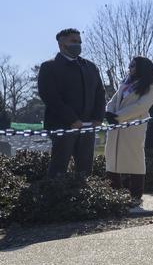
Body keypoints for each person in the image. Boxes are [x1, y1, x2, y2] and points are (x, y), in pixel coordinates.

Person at [36, 28, 106, 177]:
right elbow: (50, 96)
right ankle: (55, 198)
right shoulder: (49, 67)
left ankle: (84, 199)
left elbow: (100, 94)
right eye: (73, 41)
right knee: (59, 167)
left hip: (88, 126)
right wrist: (72, 119)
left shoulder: (90, 67)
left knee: (85, 169)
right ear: (62, 44)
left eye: (79, 42)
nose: (78, 45)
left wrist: (98, 118)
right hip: (62, 126)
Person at [103, 56, 153, 201]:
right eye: (129, 65)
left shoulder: (152, 86)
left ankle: (135, 193)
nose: (129, 68)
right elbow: (113, 100)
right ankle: (114, 191)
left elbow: (141, 106)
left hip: (133, 126)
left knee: (134, 157)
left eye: (132, 66)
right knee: (112, 156)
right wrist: (109, 112)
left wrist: (117, 117)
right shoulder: (125, 83)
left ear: (141, 67)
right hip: (115, 126)